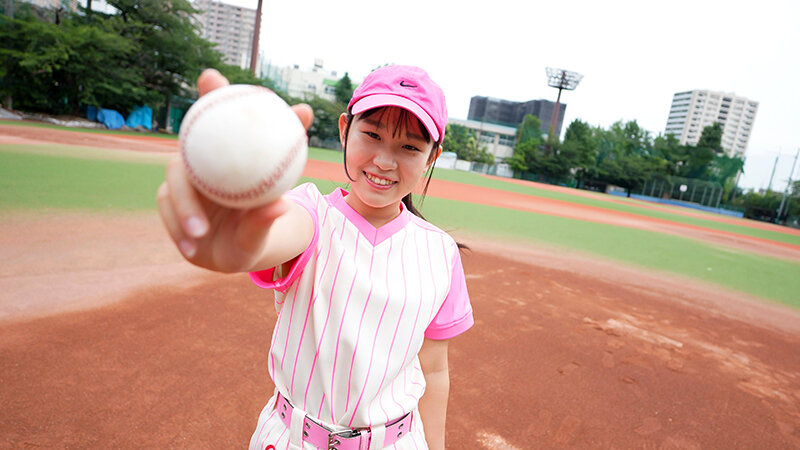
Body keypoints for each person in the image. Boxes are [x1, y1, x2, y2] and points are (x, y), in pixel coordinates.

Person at [157, 65, 473, 450]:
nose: (385, 162)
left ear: (432, 156)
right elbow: (274, 233)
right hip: (294, 439)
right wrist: (236, 244)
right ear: (345, 130)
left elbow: (435, 368)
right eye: (372, 135)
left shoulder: (439, 251)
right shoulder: (311, 213)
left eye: (409, 147)